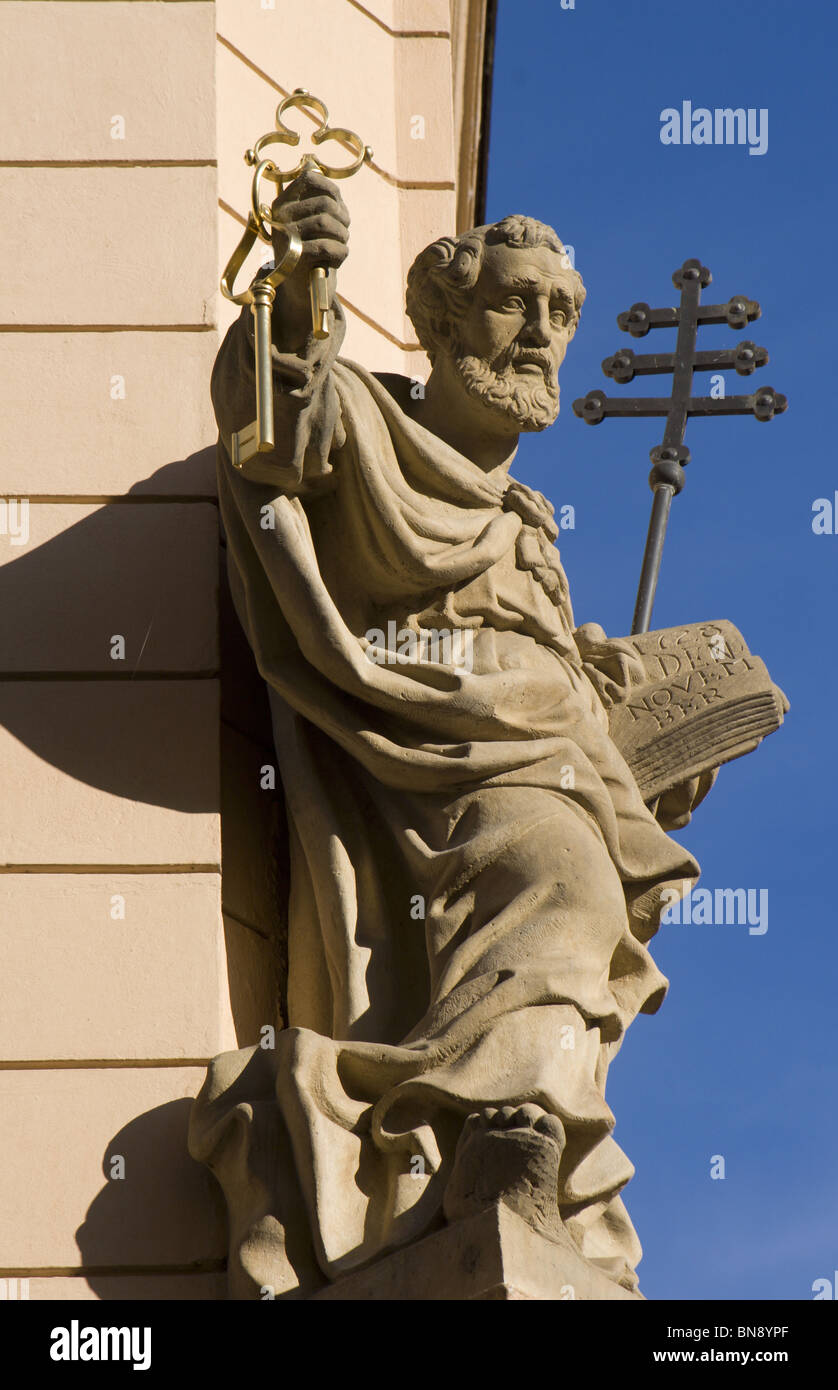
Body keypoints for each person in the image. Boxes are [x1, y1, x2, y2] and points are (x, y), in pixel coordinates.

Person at [189, 169, 701, 1299]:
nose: (541, 335)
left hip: (533, 757)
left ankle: (514, 1128)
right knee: (559, 869)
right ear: (441, 319)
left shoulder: (528, 524)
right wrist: (300, 290)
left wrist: (650, 751)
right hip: (416, 753)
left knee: (575, 879)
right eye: (517, 303)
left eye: (561, 313)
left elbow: (553, 684)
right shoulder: (375, 421)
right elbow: (279, 426)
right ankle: (497, 1128)